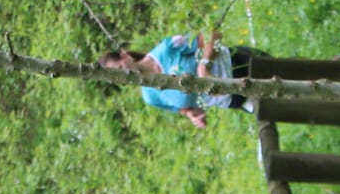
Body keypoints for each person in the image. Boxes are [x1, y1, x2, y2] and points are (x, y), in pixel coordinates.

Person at [98, 32, 258, 129]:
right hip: (236, 99)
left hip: (242, 66)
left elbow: (213, 35)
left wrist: (204, 66)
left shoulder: (167, 49)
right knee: (278, 110)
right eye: (118, 78)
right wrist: (192, 115)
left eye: (120, 68)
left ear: (125, 56)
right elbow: (184, 108)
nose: (124, 75)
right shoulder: (150, 97)